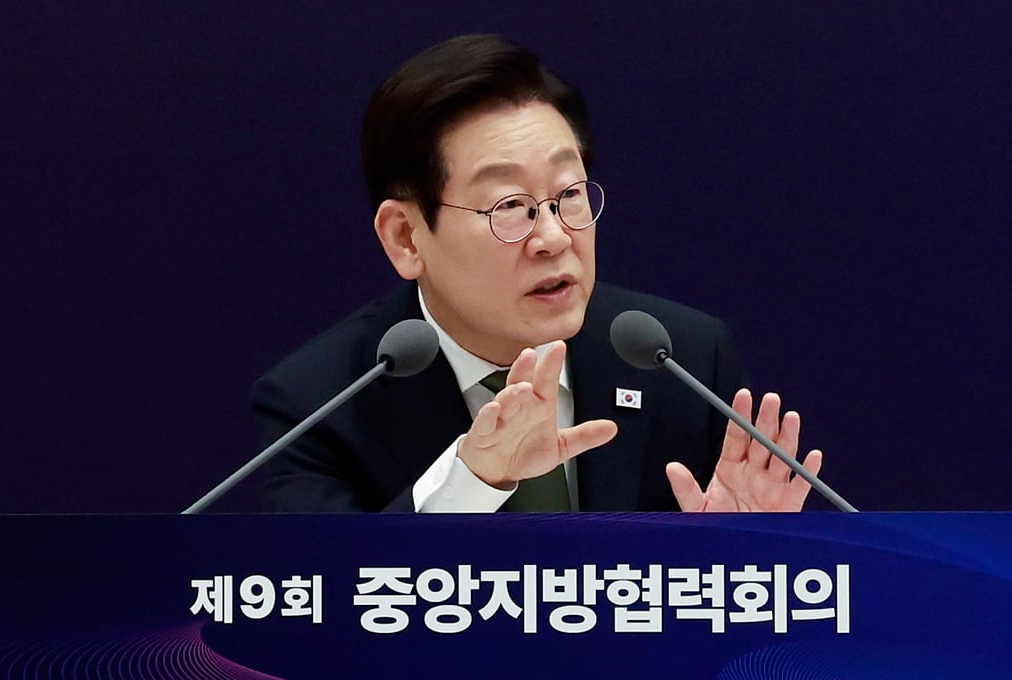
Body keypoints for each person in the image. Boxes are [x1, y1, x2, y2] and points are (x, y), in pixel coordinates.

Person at [252, 33, 823, 514]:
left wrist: (748, 557)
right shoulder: (319, 405)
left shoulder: (680, 361)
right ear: (406, 237)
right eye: (509, 208)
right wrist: (468, 487)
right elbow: (319, 615)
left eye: (569, 195)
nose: (553, 238)